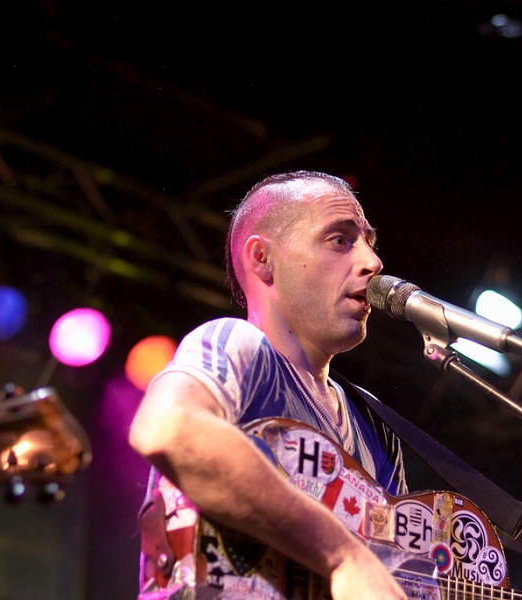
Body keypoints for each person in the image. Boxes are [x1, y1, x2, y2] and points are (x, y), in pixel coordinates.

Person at [128, 171, 410, 599]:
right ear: (262, 258)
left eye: (370, 242)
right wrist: (342, 556)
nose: (373, 262)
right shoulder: (237, 344)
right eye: (340, 240)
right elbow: (167, 428)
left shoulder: (376, 431)